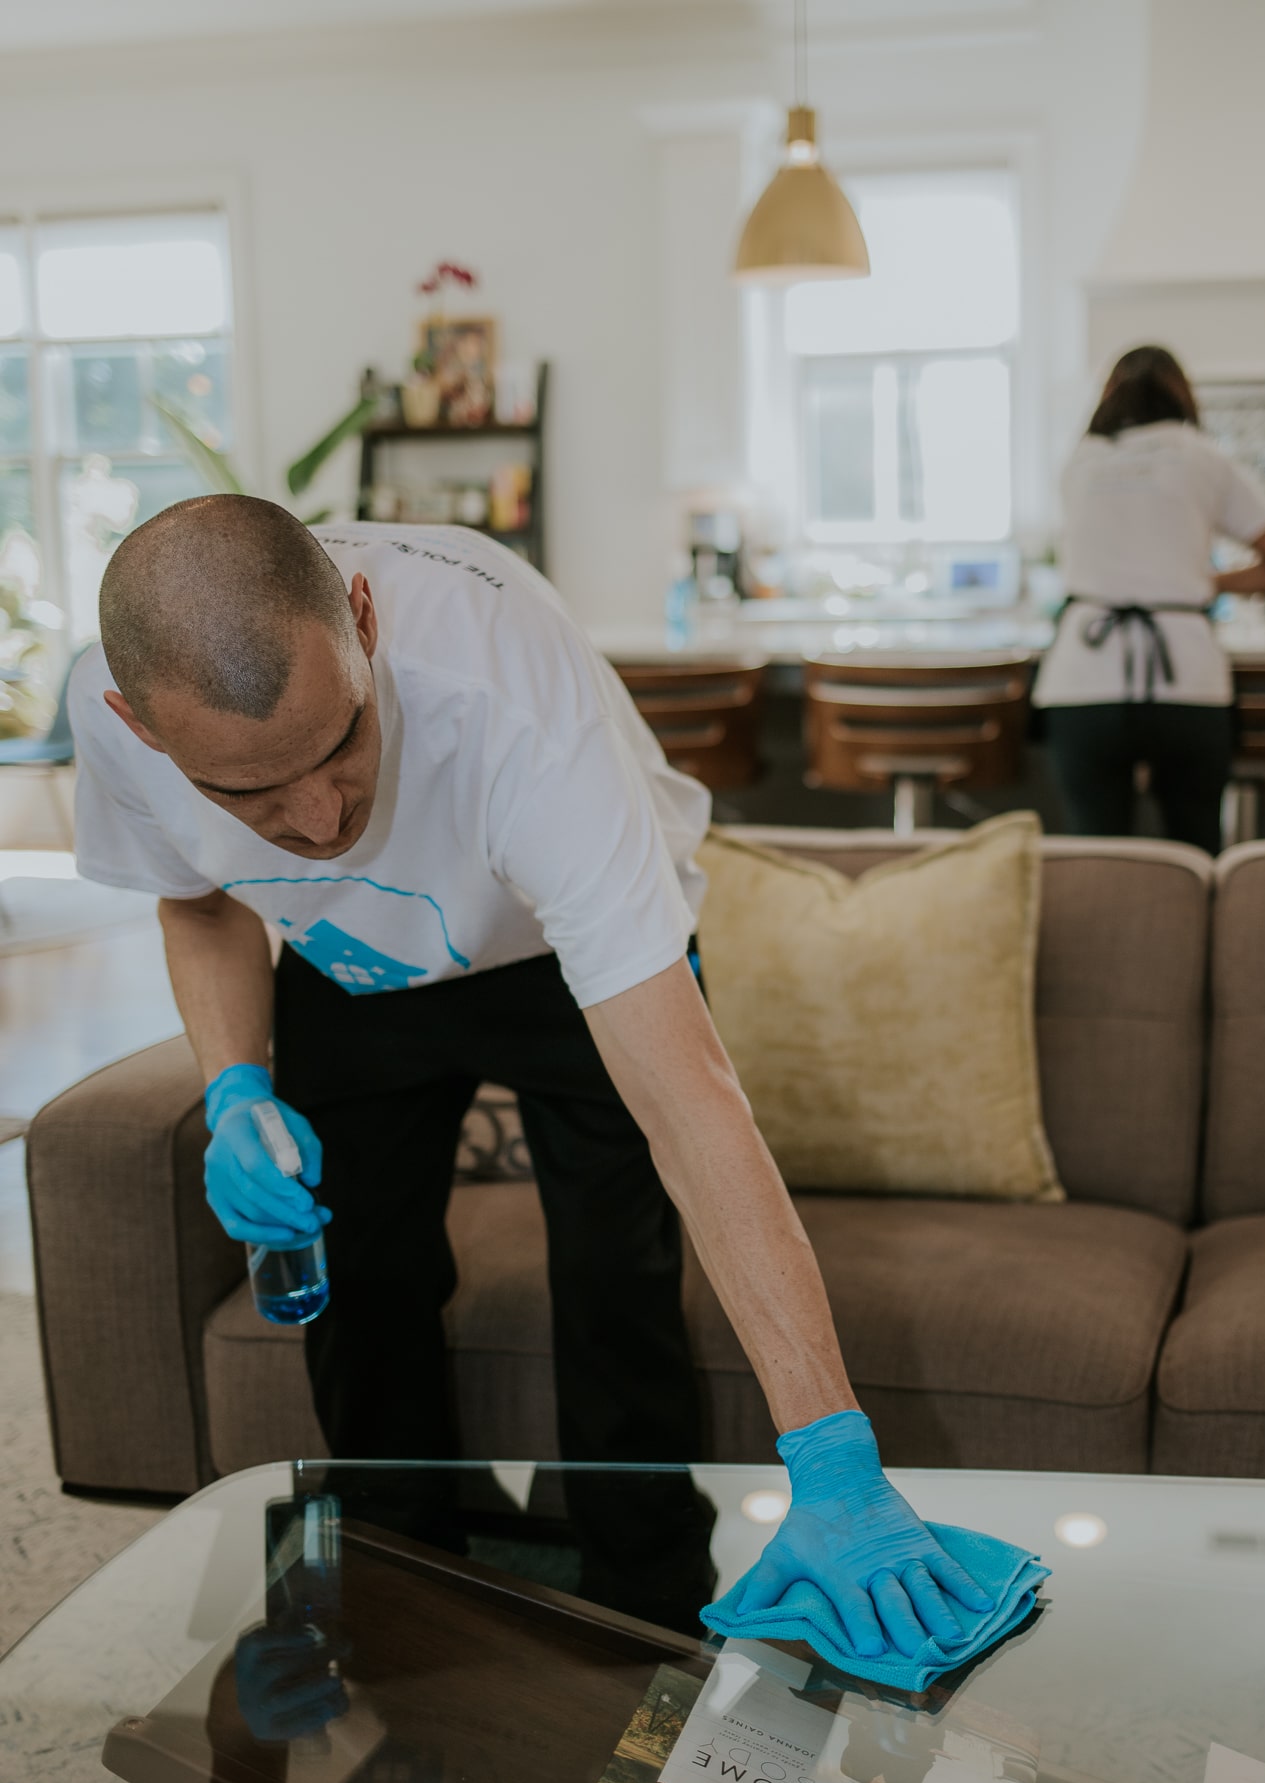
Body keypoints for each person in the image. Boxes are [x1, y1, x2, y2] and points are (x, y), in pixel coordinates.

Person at [70, 496, 998, 1654]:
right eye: (249, 795)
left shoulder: (514, 704)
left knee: (619, 1281)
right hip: (348, 964)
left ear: (364, 620)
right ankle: (395, 1588)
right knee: (363, 1276)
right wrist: (234, 1085)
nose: (318, 819)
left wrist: (833, 1451)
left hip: (553, 948)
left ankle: (647, 1616)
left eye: (340, 744)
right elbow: (200, 898)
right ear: (137, 726)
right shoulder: (114, 719)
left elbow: (693, 1106)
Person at [1034, 344, 1265, 856]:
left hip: (1082, 679)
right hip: (1186, 676)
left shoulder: (1079, 461)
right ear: (1182, 393)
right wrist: (1208, 583)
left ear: (1108, 395)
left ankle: (1107, 937)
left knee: (1097, 857)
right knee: (1196, 849)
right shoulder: (1203, 456)